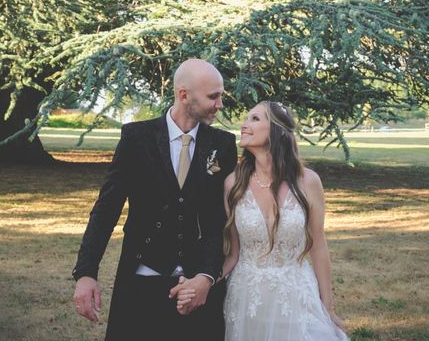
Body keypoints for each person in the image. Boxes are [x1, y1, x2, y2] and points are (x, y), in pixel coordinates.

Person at [72, 59, 238, 340]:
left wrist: (207, 278)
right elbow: (106, 209)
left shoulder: (222, 144)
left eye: (221, 95)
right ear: (184, 95)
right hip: (140, 282)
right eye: (213, 96)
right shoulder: (137, 138)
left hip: (196, 289)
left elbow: (218, 221)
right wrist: (86, 273)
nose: (220, 104)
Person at [219, 101, 349, 340]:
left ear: (277, 130)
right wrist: (204, 282)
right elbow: (233, 254)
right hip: (247, 298)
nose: (244, 125)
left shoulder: (308, 181)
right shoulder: (233, 183)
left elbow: (318, 247)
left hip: (296, 294)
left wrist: (328, 308)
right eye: (247, 119)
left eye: (255, 119)